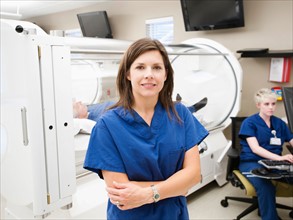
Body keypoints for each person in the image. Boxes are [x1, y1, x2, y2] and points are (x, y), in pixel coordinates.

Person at [83, 38, 209, 220]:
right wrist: (176, 186)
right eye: (140, 67)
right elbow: (122, 196)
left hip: (174, 215)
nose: (149, 74)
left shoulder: (180, 114)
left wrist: (148, 193)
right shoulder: (107, 126)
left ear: (166, 74)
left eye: (157, 67)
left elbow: (194, 175)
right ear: (128, 74)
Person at [238, 88, 293, 220]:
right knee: (265, 187)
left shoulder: (280, 123)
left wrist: (281, 160)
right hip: (251, 162)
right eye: (266, 104)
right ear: (258, 105)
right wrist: (280, 158)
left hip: (275, 163)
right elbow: (256, 149)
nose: (271, 107)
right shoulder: (249, 123)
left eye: (273, 104)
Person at [73, 97, 208, 122]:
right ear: (79, 117)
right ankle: (192, 109)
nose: (80, 102)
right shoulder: (97, 120)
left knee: (164, 103)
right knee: (167, 111)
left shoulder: (90, 109)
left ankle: (180, 103)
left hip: (130, 102)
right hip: (137, 111)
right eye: (78, 105)